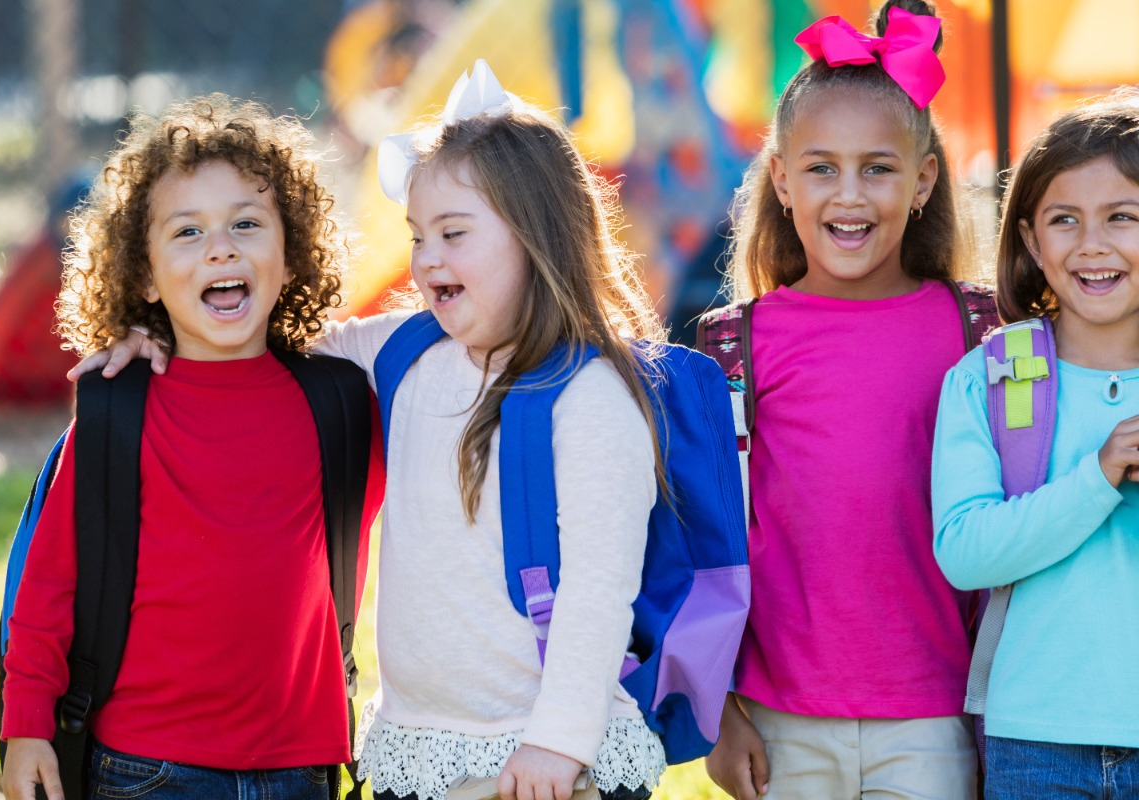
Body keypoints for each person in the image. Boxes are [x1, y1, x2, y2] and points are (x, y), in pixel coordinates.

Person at [73, 63, 670, 800]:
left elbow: (598, 592)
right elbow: (248, 336)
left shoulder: (590, 393)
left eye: (453, 233)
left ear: (538, 236)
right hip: (417, 751)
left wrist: (558, 743)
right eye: (418, 236)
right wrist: (153, 326)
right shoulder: (402, 352)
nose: (426, 260)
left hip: (544, 760)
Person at [2, 94, 384, 800]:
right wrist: (26, 726)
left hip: (302, 768)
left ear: (291, 255)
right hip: (146, 768)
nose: (221, 247)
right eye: (187, 232)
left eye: (246, 223)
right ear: (144, 275)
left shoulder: (342, 402)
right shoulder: (120, 410)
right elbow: (49, 588)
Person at [695, 2, 997, 798]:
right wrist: (719, 710)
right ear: (783, 181)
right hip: (778, 721)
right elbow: (704, 536)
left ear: (924, 179)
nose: (850, 195)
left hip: (937, 715)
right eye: (822, 168)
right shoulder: (735, 345)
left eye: (879, 168)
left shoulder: (982, 332)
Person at [932, 90, 1139, 799]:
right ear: (1029, 241)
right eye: (1064, 220)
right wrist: (1099, 476)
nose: (1092, 244)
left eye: (1122, 217)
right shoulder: (989, 378)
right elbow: (965, 553)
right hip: (1037, 739)